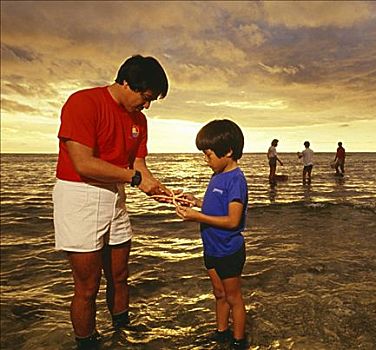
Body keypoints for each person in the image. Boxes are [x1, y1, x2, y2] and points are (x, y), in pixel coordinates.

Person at [52, 55, 172, 349]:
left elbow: (139, 166)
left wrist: (161, 191)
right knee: (87, 286)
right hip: (79, 195)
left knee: (120, 275)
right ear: (127, 83)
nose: (147, 106)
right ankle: (88, 343)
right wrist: (132, 178)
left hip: (115, 195)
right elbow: (83, 164)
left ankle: (123, 333)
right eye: (146, 98)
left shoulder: (139, 120)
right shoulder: (83, 103)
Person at [175, 119, 249, 350]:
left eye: (208, 155)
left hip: (228, 250)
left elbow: (232, 220)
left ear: (227, 151)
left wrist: (196, 216)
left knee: (233, 297)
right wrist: (196, 201)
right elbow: (215, 205)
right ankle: (221, 333)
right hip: (212, 248)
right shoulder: (217, 174)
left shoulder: (236, 180)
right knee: (219, 293)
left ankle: (238, 341)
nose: (206, 160)